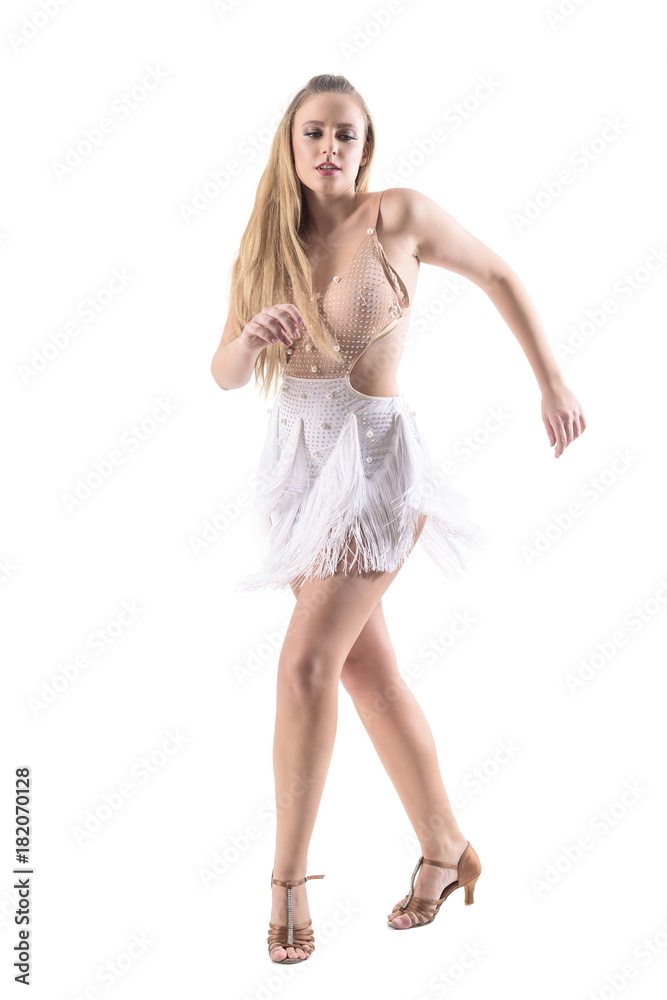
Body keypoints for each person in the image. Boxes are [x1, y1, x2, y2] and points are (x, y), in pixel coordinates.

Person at [210, 73, 586, 965]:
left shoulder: (399, 215)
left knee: (304, 664)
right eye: (313, 134)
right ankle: (445, 849)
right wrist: (250, 339)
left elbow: (496, 270)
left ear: (364, 145)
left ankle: (286, 883)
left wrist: (551, 379)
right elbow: (221, 372)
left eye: (345, 134)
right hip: (298, 469)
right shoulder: (268, 235)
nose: (329, 149)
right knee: (365, 677)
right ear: (290, 146)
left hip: (377, 465)